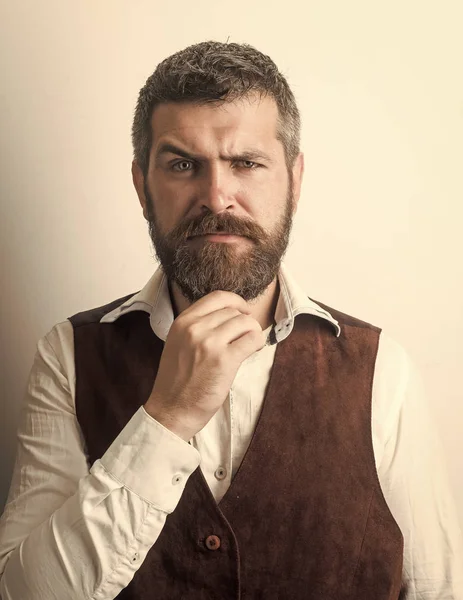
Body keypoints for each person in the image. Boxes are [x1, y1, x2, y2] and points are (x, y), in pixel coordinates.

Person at [0, 40, 461, 600]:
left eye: (245, 163)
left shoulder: (381, 371)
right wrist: (167, 419)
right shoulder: (69, 355)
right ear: (142, 187)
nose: (217, 196)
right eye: (181, 165)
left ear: (294, 179)